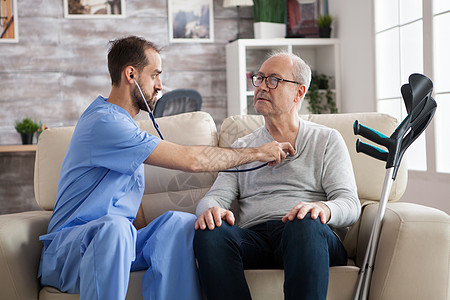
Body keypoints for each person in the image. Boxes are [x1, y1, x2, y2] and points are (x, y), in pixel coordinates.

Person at [38, 36, 294, 300]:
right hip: (69, 254)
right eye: (155, 75)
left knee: (179, 223)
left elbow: (126, 201)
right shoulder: (105, 123)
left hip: (117, 243)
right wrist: (257, 152)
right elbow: (191, 161)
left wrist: (152, 242)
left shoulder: (126, 125)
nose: (160, 86)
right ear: (131, 74)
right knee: (115, 228)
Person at [194, 52, 361, 300]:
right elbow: (215, 197)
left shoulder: (326, 139)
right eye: (259, 78)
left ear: (299, 92)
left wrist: (321, 209)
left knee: (304, 222)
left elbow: (350, 204)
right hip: (256, 237)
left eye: (273, 80)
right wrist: (210, 210)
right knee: (210, 232)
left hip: (308, 234)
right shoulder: (244, 147)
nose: (261, 86)